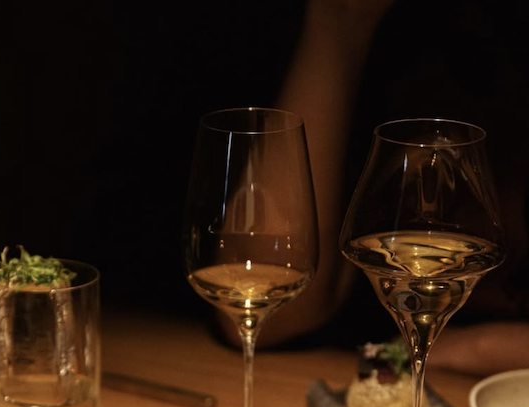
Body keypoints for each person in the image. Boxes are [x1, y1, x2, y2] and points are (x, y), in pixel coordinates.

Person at [215, 0, 529, 375]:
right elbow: (260, 307)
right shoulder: (394, 53)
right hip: (342, 388)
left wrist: (471, 348)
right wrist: (338, 22)